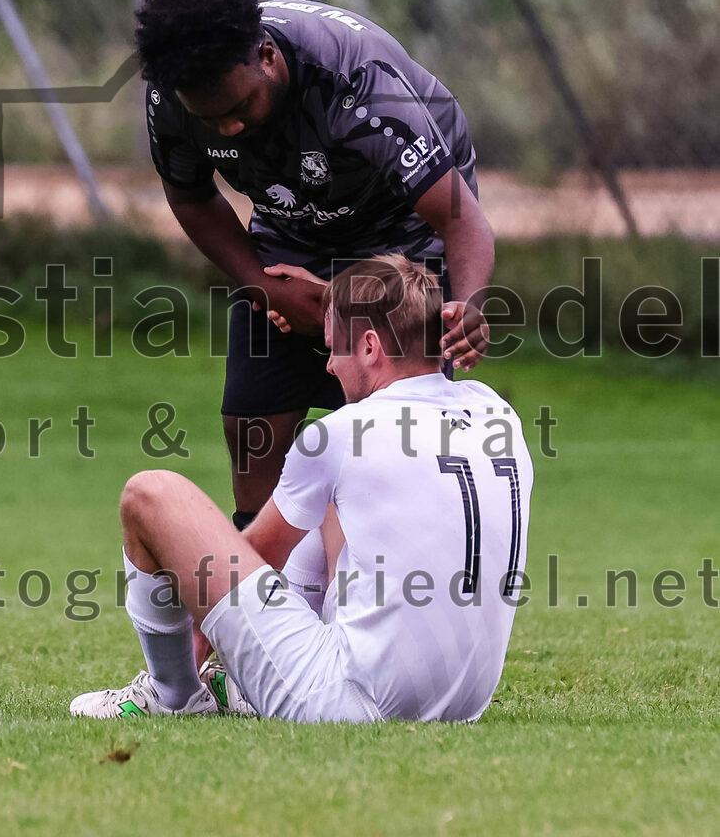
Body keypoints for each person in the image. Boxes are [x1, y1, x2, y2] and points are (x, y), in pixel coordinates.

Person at [70, 256, 532, 723]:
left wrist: (194, 651)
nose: (330, 367)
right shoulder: (498, 415)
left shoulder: (341, 433)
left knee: (149, 494)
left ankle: (172, 693)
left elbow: (255, 556)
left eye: (335, 349)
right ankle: (240, 683)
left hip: (348, 701)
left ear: (370, 346)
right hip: (464, 704)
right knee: (334, 495)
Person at [134, 0, 495, 529]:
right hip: (291, 234)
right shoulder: (173, 92)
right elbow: (190, 194)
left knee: (391, 437)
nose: (228, 129)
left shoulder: (359, 84)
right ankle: (260, 595)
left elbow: (460, 220)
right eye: (211, 119)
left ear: (268, 56)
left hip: (401, 239)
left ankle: (385, 584)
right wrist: (262, 282)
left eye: (240, 106)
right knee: (251, 423)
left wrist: (467, 306)